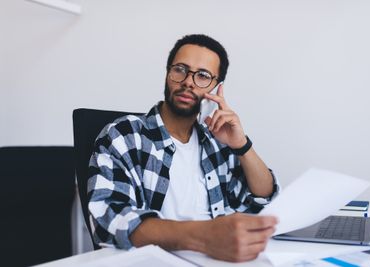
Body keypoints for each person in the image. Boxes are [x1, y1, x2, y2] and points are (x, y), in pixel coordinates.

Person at [88, 34, 280, 262]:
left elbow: (262, 200)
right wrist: (205, 237)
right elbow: (110, 217)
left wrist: (241, 145)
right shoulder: (124, 135)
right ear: (168, 73)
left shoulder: (217, 142)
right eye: (180, 69)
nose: (188, 82)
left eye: (202, 76)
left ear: (216, 88)